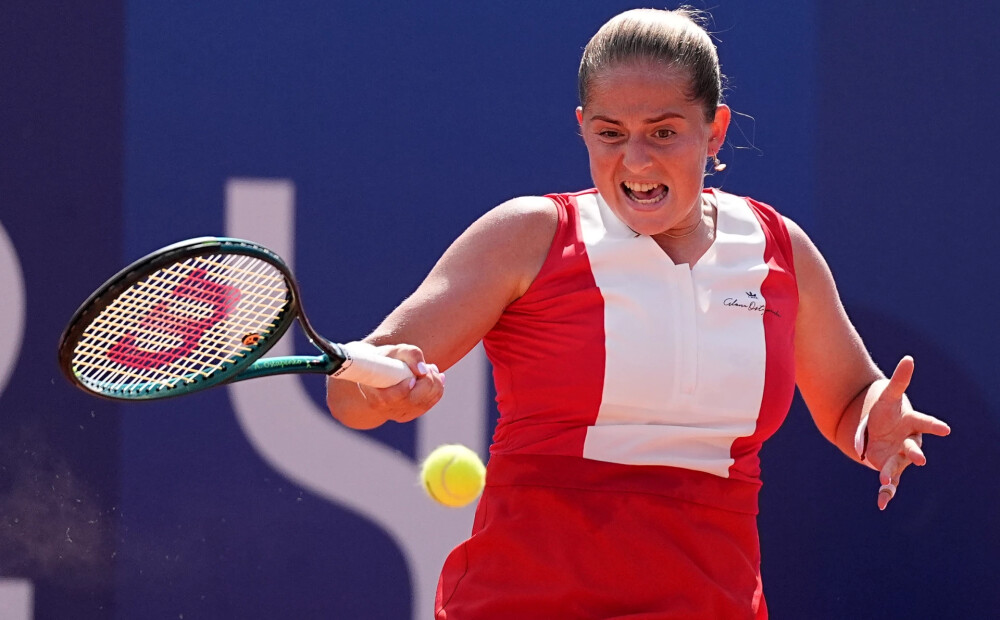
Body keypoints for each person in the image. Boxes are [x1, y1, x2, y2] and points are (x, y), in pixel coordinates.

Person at [326, 7, 951, 619]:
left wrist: (876, 419)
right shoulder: (527, 236)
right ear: (582, 127)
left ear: (715, 129)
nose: (636, 160)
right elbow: (353, 389)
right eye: (609, 133)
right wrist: (381, 390)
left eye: (663, 132)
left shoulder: (779, 249)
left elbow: (850, 401)